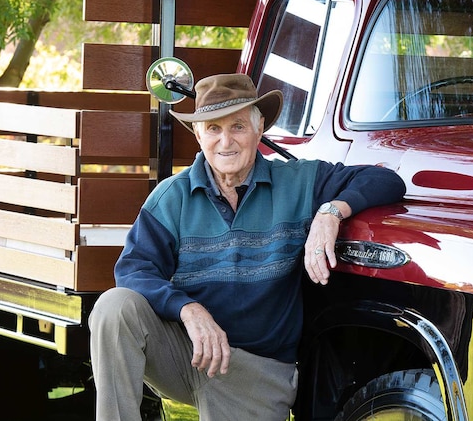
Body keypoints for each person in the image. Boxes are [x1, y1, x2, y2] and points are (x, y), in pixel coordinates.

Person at [89, 73, 406, 421]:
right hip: (187, 354)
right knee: (115, 307)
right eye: (213, 129)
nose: (226, 141)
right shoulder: (170, 197)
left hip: (257, 373)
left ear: (259, 130)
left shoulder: (299, 181)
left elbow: (385, 180)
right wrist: (188, 309)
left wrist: (331, 212)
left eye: (238, 126)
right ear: (198, 135)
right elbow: (134, 271)